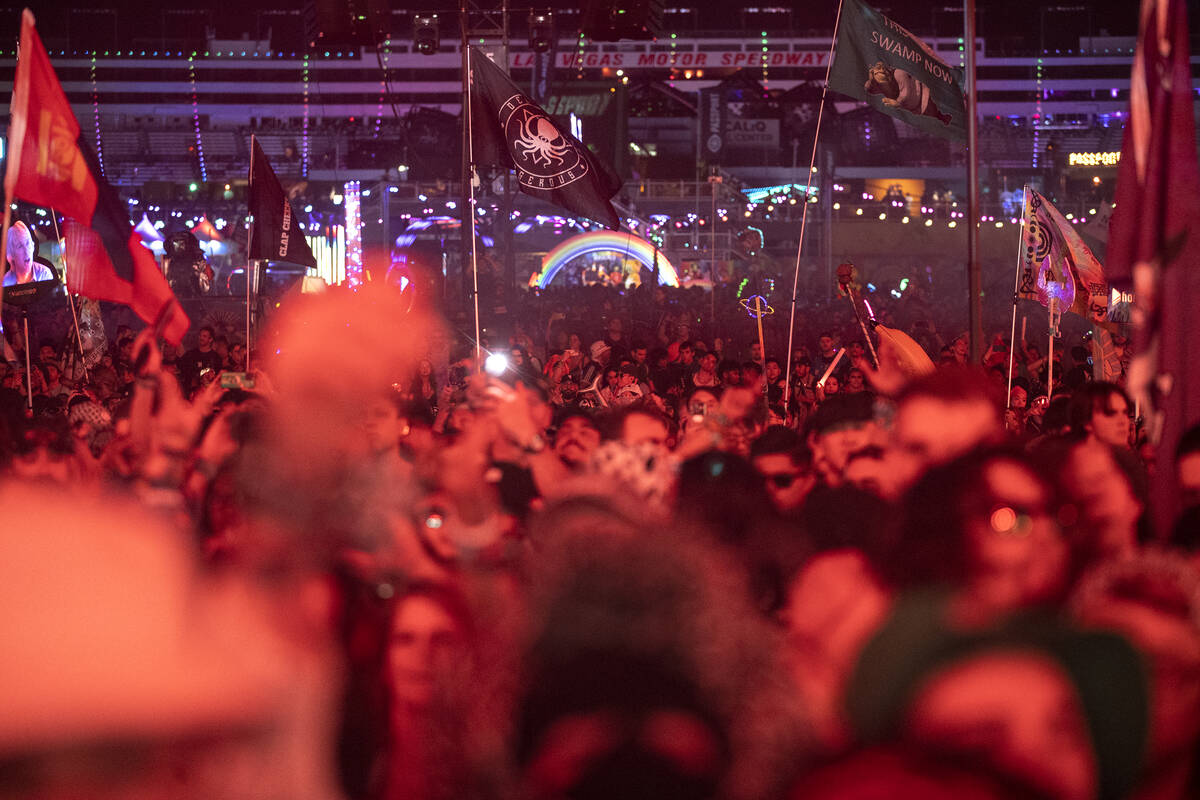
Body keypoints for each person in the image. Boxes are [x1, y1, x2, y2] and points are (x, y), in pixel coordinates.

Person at [178, 326, 223, 396]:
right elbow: (180, 370)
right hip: (191, 396)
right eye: (200, 335)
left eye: (204, 336)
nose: (201, 338)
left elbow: (219, 379)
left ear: (210, 339)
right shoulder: (190, 354)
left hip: (208, 396)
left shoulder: (216, 358)